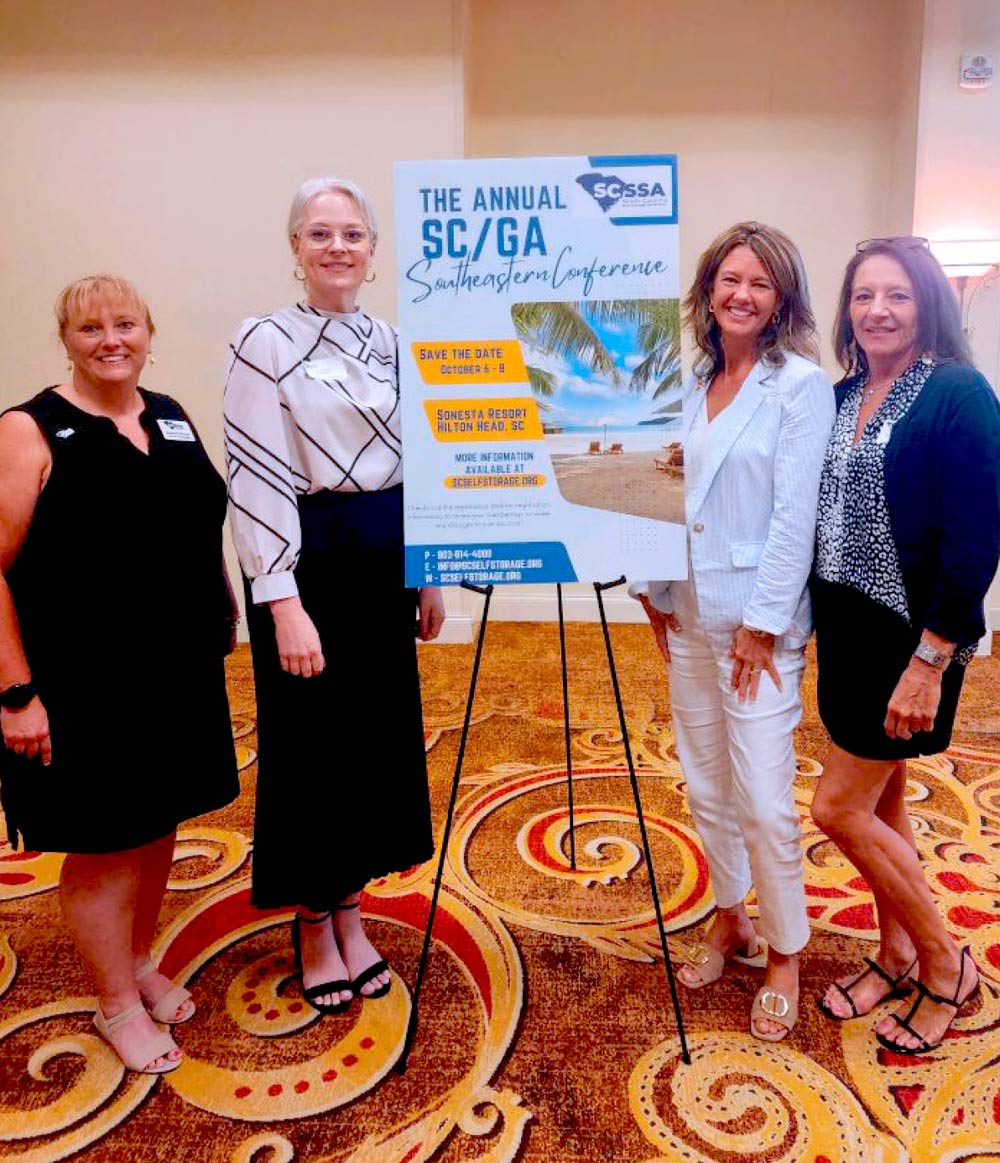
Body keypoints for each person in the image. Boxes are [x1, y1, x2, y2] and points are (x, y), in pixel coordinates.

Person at [0, 275, 240, 1074]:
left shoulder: (168, 414)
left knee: (159, 821)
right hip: (81, 685)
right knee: (106, 842)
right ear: (65, 341)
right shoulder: (28, 430)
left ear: (148, 332)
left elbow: (196, 522)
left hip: (175, 673)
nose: (111, 340)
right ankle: (115, 1003)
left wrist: (223, 608)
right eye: (90, 328)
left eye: (125, 324)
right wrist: (15, 693)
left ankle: (137, 963)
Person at [225, 177, 443, 1015]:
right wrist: (281, 600)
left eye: (352, 233)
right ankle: (314, 923)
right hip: (308, 559)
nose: (337, 247)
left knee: (373, 742)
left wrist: (425, 571)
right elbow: (254, 472)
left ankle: (352, 908)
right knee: (311, 746)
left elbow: (420, 462)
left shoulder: (395, 342)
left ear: (374, 251)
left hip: (384, 556)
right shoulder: (264, 339)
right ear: (295, 247)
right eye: (320, 233)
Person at [634, 222, 834, 1041]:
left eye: (759, 282)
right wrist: (650, 587)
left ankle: (785, 951)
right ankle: (730, 916)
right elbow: (658, 482)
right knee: (707, 784)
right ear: (708, 290)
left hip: (757, 632)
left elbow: (794, 515)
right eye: (730, 279)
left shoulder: (801, 387)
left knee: (764, 798)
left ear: (780, 299)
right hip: (686, 613)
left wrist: (763, 623)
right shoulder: (689, 379)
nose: (742, 294)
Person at [810, 236, 1000, 1052]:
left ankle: (946, 963)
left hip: (912, 640)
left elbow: (977, 536)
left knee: (837, 807)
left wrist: (930, 659)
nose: (877, 310)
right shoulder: (842, 393)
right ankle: (892, 953)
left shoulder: (958, 392)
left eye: (896, 295)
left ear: (927, 303)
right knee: (881, 801)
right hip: (845, 631)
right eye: (863, 296)